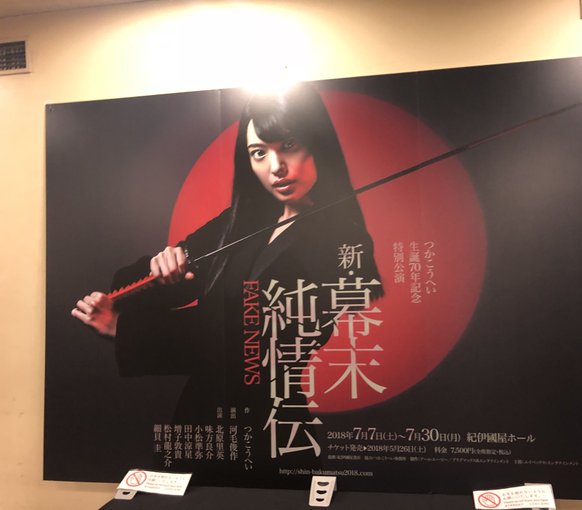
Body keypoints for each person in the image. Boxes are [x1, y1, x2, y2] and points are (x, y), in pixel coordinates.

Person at [72, 83, 383, 486]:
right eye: (259, 152)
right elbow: (134, 285)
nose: (276, 167)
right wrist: (161, 268)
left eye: (289, 145)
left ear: (317, 143)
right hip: (200, 419)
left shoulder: (345, 240)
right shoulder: (240, 223)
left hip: (270, 426)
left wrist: (124, 329)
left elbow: (257, 342)